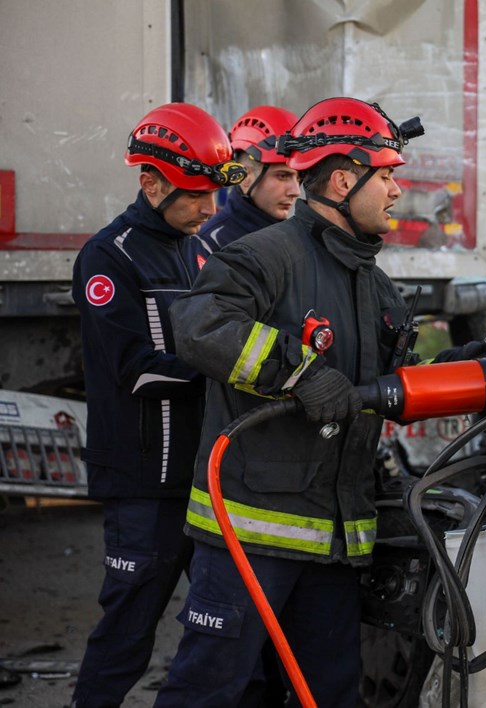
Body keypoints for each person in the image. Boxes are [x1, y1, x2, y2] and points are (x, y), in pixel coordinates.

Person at [153, 97, 423, 707]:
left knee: (328, 694)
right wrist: (297, 373)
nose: (396, 193)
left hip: (333, 544)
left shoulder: (372, 282)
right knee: (210, 690)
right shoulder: (266, 255)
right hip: (251, 538)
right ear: (344, 179)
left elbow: (386, 385)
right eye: (387, 176)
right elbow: (199, 326)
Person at [69, 103, 245, 708]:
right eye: (197, 194)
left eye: (214, 192)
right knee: (125, 640)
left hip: (201, 482)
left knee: (231, 632)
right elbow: (132, 372)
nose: (210, 208)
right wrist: (229, 374)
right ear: (151, 182)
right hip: (141, 483)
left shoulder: (198, 254)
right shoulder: (107, 256)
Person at [200, 105, 300, 253]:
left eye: (299, 177)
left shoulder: (300, 241)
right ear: (244, 177)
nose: (296, 191)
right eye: (283, 176)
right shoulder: (210, 245)